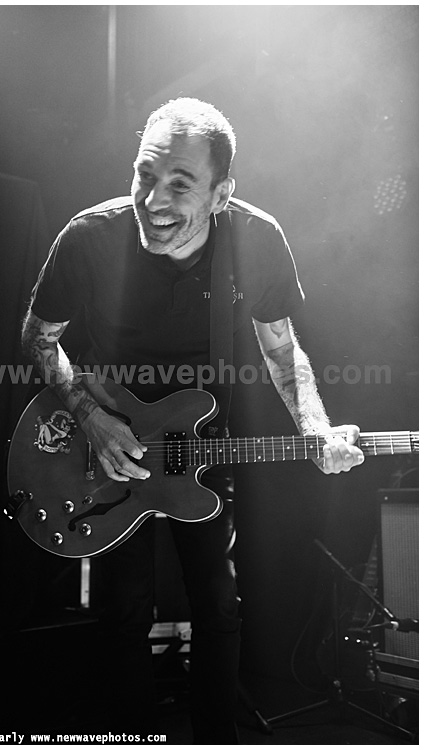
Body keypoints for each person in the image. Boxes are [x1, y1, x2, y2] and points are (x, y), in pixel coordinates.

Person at [21, 97, 365, 743]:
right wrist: (91, 418)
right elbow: (40, 338)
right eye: (144, 174)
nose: (154, 199)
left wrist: (314, 427)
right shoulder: (90, 237)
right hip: (109, 445)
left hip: (201, 445)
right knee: (123, 611)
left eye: (180, 184)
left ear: (221, 194)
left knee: (218, 607)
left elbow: (280, 348)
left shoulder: (255, 239)